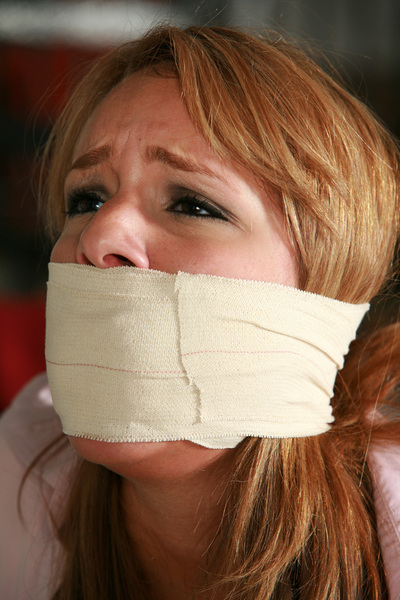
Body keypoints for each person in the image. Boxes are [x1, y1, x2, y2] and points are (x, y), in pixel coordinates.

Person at [0, 25, 399, 600]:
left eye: (192, 203)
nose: (98, 234)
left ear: (325, 288)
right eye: (86, 199)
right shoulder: (20, 479)